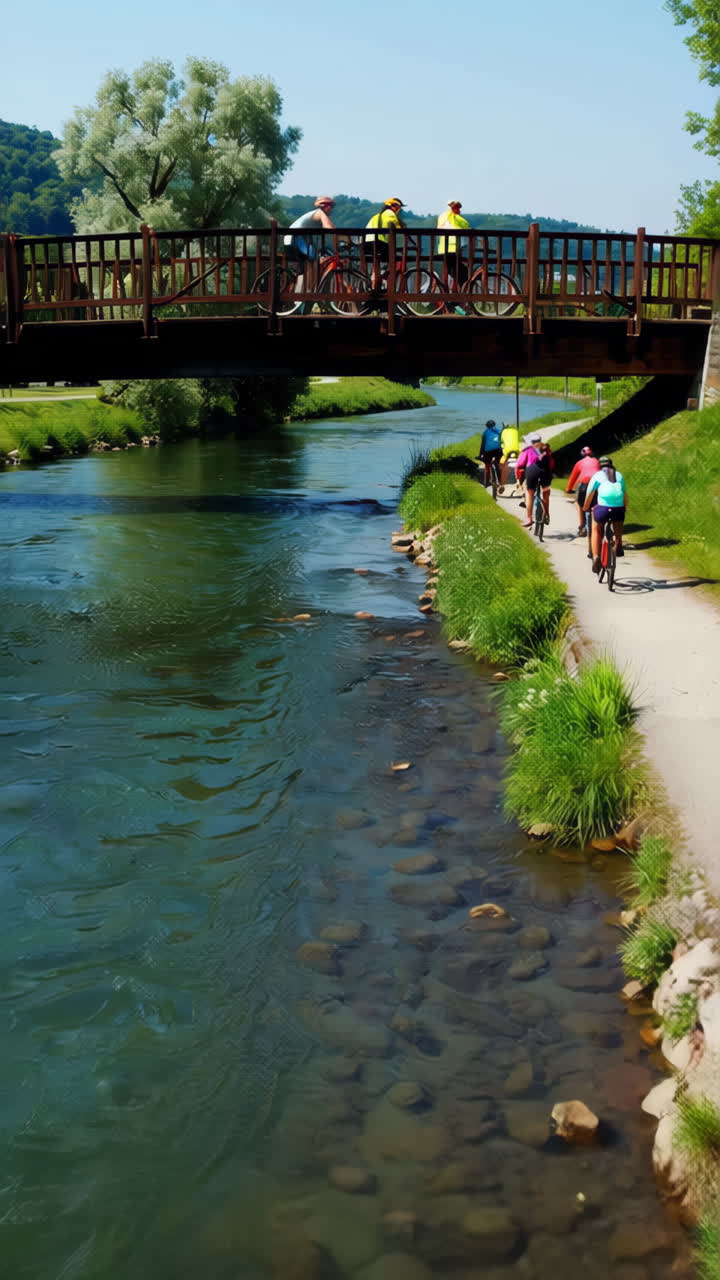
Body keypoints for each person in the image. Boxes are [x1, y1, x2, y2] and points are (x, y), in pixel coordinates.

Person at [283, 197, 336, 297]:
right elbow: (330, 228)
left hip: (292, 240)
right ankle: (308, 292)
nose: (331, 209)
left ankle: (304, 290)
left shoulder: (316, 215)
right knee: (313, 262)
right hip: (296, 239)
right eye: (331, 206)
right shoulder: (319, 213)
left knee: (310, 264)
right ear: (326, 206)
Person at [583, 455, 627, 573]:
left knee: (596, 528)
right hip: (618, 509)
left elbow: (590, 493)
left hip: (602, 509)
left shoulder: (597, 475)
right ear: (611, 465)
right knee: (618, 523)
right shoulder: (619, 475)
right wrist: (624, 508)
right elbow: (625, 495)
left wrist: (586, 507)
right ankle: (618, 543)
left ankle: (596, 556)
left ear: (599, 466)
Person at [565, 445, 600, 536]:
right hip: (597, 484)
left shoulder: (579, 463)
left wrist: (568, 489)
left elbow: (573, 478)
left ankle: (582, 527)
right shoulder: (596, 461)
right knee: (597, 503)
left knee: (579, 503)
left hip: (585, 484)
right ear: (591, 453)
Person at [518, 439, 554, 526]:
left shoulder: (533, 455)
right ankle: (547, 514)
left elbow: (520, 465)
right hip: (546, 473)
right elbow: (552, 467)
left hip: (533, 471)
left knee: (529, 494)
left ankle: (529, 518)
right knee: (546, 494)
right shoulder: (550, 458)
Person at [436, 200, 471, 288]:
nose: (459, 211)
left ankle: (449, 293)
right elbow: (465, 224)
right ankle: (457, 295)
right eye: (457, 208)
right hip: (452, 248)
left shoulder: (442, 216)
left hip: (444, 248)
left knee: (451, 271)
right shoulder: (452, 216)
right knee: (459, 273)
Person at [365, 198, 406, 267]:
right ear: (392, 206)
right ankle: (387, 273)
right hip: (378, 244)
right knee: (395, 257)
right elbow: (400, 229)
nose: (399, 209)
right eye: (398, 207)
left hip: (366, 244)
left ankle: (377, 274)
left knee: (383, 258)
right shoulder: (390, 214)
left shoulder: (377, 216)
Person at [477, 419, 503, 486]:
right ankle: (500, 482)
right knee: (498, 464)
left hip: (488, 451)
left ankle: (486, 483)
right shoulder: (499, 431)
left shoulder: (485, 432)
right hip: (498, 450)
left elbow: (483, 445)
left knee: (487, 466)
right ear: (494, 425)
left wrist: (480, 455)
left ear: (487, 426)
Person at [499, 421, 521, 491]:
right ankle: (518, 481)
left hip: (507, 452)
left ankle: (502, 484)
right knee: (518, 466)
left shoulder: (503, 432)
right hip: (517, 451)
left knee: (502, 466)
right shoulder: (515, 431)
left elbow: (501, 442)